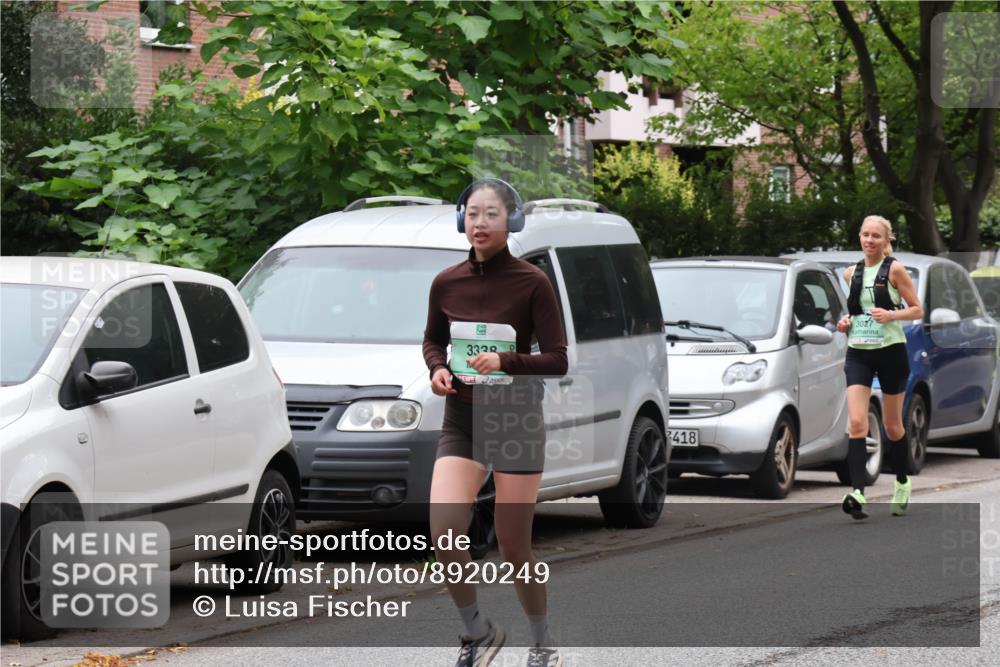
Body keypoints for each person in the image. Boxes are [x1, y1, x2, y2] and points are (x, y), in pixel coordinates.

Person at [423, 178, 568, 667]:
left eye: (491, 214)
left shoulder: (533, 282)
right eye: (472, 213)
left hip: (515, 421)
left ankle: (542, 642)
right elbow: (432, 342)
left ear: (512, 222)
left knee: (513, 545)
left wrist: (506, 362)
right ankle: (476, 632)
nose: (480, 223)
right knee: (444, 530)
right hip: (462, 419)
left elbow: (558, 359)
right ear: (461, 219)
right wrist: (438, 369)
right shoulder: (446, 281)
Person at [836, 215, 924, 520]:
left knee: (892, 426)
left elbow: (917, 309)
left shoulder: (895, 269)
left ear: (887, 241)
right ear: (859, 237)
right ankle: (858, 492)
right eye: (865, 234)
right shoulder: (851, 273)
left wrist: (891, 316)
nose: (869, 240)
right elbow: (854, 313)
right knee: (858, 423)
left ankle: (901, 482)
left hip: (890, 352)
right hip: (859, 352)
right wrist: (844, 323)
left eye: (876, 236)